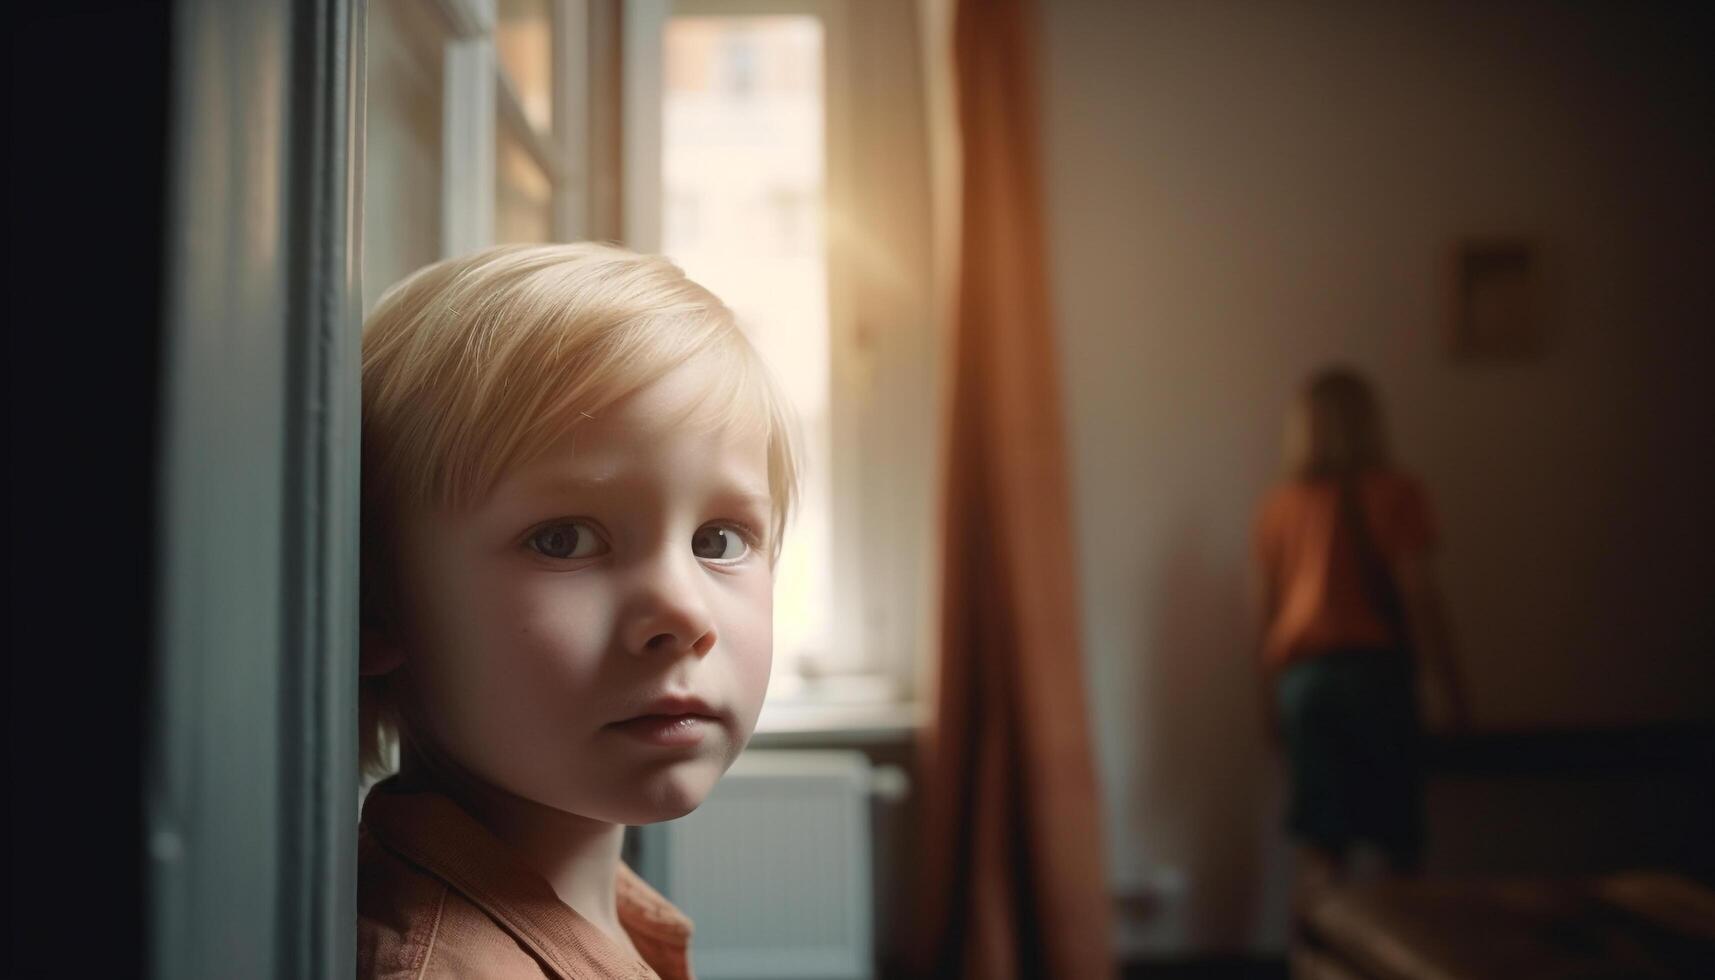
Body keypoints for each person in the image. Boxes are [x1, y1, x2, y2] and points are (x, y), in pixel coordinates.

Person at [356, 243, 799, 979]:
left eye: (718, 540)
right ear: (379, 602)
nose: (683, 615)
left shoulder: (588, 906)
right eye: (563, 541)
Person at [1252, 366, 1469, 906]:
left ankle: (1315, 963)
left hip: (1303, 684)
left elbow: (1264, 617)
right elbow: (1419, 595)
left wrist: (1265, 703)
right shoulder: (1396, 493)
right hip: (1376, 679)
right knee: (1400, 847)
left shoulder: (1280, 507)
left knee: (1322, 855)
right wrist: (1451, 684)